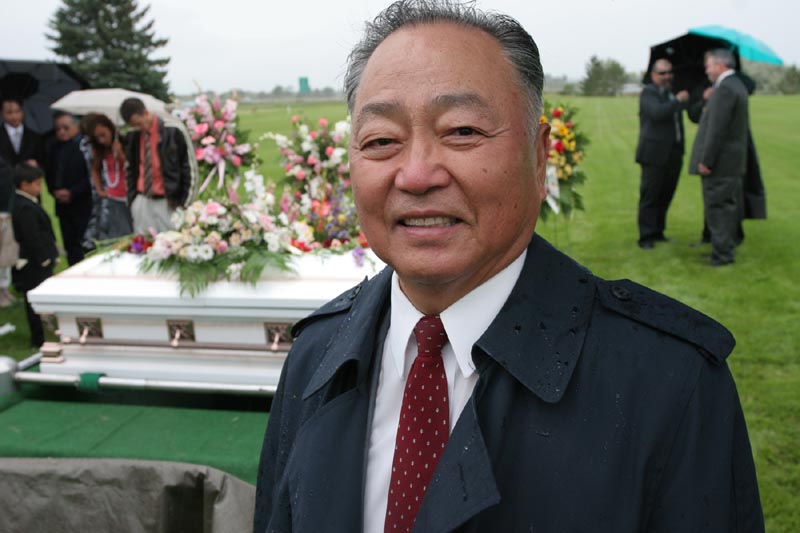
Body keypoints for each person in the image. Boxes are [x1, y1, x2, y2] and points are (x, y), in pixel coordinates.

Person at [253, 2, 764, 532]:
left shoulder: (668, 383)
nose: (417, 174)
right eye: (381, 140)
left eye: (463, 131)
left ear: (540, 156)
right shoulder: (316, 356)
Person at [689, 49, 750, 267]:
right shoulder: (735, 85)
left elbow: (717, 130)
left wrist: (706, 160)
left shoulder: (725, 89)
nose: (707, 71)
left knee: (718, 208)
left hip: (721, 163)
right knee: (726, 207)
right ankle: (722, 248)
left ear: (720, 65)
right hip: (731, 162)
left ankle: (722, 255)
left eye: (709, 66)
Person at [635, 59, 688, 249]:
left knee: (666, 193)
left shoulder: (671, 92)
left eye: (669, 72)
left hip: (674, 152)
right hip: (653, 153)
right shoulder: (648, 92)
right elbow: (658, 113)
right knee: (650, 195)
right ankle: (646, 236)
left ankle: (659, 231)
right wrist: (678, 101)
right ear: (653, 75)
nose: (667, 76)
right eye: (662, 73)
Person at [120, 97, 191, 234]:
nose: (137, 128)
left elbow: (188, 167)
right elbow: (130, 169)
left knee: (171, 243)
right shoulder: (133, 136)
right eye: (133, 126)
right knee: (144, 244)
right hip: (142, 199)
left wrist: (184, 203)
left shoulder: (174, 130)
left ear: (145, 113)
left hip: (168, 200)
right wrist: (132, 199)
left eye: (138, 123)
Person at [0, 97, 43, 307]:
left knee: (27, 236)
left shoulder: (34, 137)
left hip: (29, 197)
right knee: (5, 241)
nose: (14, 116)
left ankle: (25, 278)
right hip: (5, 195)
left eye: (17, 111)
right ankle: (5, 285)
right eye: (9, 112)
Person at [10, 163, 58, 348]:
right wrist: (44, 258)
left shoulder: (26, 203)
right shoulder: (25, 207)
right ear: (25, 184)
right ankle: (39, 338)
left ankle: (44, 334)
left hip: (37, 260)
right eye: (37, 184)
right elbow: (32, 237)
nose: (40, 189)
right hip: (34, 263)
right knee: (36, 301)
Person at [44, 111, 93, 266]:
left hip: (83, 203)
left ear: (76, 126)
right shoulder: (53, 148)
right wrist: (55, 192)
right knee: (69, 244)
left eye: (65, 127)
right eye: (58, 129)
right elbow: (49, 174)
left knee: (84, 243)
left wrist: (73, 192)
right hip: (62, 204)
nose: (61, 132)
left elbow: (90, 175)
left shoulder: (85, 146)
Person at [84, 113, 133, 240]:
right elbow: (94, 169)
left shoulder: (125, 142)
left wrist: (121, 154)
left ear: (110, 128)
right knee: (119, 233)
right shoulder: (99, 151)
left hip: (128, 196)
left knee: (132, 230)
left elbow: (131, 166)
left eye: (103, 135)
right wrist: (100, 189)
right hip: (113, 197)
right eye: (97, 137)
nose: (101, 140)